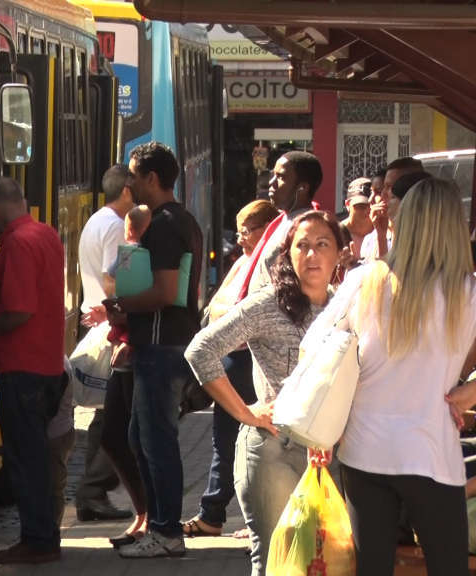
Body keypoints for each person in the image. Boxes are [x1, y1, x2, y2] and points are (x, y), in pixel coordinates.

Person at [328, 178, 476, 575]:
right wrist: (468, 393)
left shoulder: (363, 280)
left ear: (404, 222)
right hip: (431, 449)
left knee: (372, 568)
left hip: (363, 450)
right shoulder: (468, 292)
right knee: (448, 568)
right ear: (454, 228)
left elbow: (316, 349)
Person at [184, 211, 345, 575]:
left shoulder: (346, 306)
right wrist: (245, 412)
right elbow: (200, 350)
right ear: (287, 254)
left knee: (328, 563)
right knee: (276, 559)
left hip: (332, 456)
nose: (313, 254)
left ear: (340, 253)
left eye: (323, 245)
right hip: (276, 450)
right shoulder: (268, 304)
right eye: (302, 245)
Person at [106, 142, 203, 559]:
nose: (129, 185)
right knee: (139, 435)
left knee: (157, 439)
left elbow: (165, 292)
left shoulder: (165, 224)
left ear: (151, 178)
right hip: (162, 343)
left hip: (163, 345)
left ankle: (165, 531)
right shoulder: (183, 220)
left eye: (133, 176)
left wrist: (122, 305)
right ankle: (158, 523)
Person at [0, 177, 65, 565]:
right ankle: (42, 535)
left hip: (21, 367)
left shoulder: (17, 244)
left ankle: (38, 540)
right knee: (35, 456)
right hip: (45, 363)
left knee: (25, 460)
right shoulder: (44, 234)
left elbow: (20, 309)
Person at [180, 199, 278, 538]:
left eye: (247, 231)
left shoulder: (266, 264)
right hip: (228, 357)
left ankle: (222, 513)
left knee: (239, 438)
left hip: (245, 359)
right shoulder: (244, 264)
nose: (240, 239)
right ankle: (215, 511)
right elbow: (217, 305)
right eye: (238, 232)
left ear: (265, 229)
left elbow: (236, 311)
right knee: (226, 439)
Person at [75, 164, 137, 522]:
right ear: (126, 191)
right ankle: (94, 489)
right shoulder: (115, 226)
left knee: (106, 413)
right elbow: (117, 280)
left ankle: (93, 490)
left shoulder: (96, 220)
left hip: (99, 321)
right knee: (115, 414)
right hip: (110, 326)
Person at [99, 202, 153, 548]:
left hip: (135, 352)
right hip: (125, 351)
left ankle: (150, 515)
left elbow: (131, 301)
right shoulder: (135, 255)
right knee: (113, 435)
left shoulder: (139, 256)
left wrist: (125, 327)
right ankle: (145, 511)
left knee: (136, 438)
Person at [241, 151, 324, 297]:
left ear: (303, 187)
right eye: (273, 175)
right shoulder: (283, 221)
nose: (271, 182)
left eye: (280, 177)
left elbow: (291, 293)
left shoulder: (306, 230)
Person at [360, 156, 424, 260]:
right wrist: (381, 237)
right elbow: (383, 274)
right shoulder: (372, 238)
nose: (384, 194)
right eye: (383, 187)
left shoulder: (429, 237)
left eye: (390, 187)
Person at [47, 373, 75, 528]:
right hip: (58, 432)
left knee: (53, 487)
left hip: (55, 434)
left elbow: (48, 407)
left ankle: (51, 533)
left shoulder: (58, 366)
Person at [341, 192, 373, 261]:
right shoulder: (335, 234)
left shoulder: (386, 232)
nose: (367, 210)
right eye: (361, 206)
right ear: (347, 204)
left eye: (372, 204)